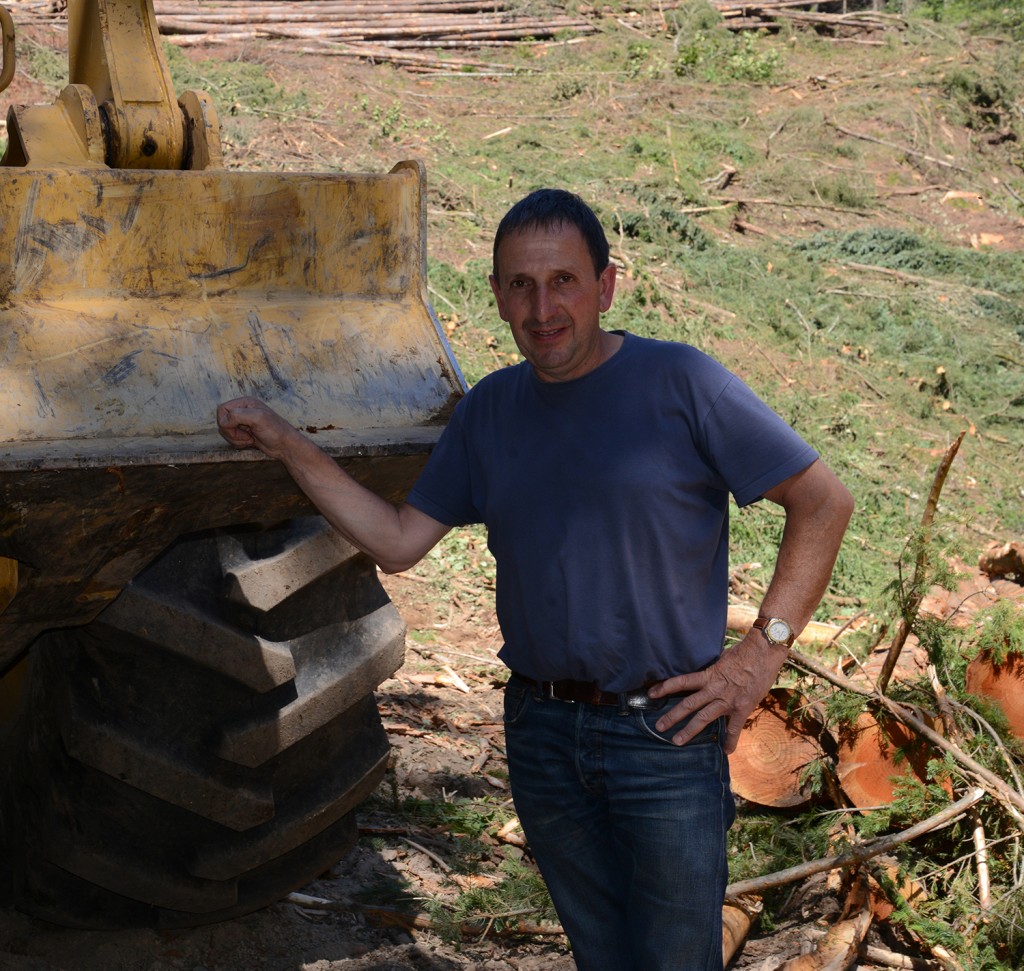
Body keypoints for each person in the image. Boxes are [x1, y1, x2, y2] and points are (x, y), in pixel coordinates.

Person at [217, 188, 854, 971]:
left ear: (606, 286)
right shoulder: (490, 412)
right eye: (520, 284)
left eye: (563, 281)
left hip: (666, 733)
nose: (542, 306)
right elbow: (396, 541)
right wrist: (287, 444)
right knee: (602, 958)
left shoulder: (682, 384)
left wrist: (761, 655)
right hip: (544, 734)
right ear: (496, 295)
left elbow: (823, 500)